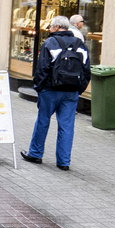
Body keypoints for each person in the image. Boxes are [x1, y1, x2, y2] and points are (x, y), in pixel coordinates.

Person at [21, 16, 90, 171]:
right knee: (67, 126)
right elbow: (86, 71)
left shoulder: (50, 43)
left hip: (50, 91)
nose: (49, 29)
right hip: (71, 92)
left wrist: (39, 88)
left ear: (58, 27)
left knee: (43, 121)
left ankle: (35, 153)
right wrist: (78, 90)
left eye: (51, 26)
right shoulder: (80, 45)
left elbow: (42, 69)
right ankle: (64, 162)